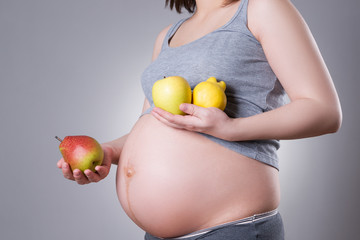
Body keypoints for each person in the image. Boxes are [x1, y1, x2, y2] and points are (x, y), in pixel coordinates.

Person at [57, 0, 342, 239]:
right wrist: (110, 151)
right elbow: (153, 122)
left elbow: (324, 110)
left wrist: (231, 128)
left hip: (229, 229)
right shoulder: (167, 35)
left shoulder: (262, 8)